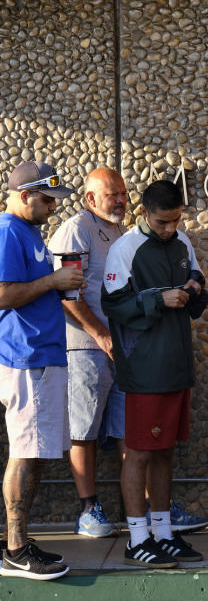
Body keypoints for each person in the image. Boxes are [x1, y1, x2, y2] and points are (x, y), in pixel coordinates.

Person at [103, 180, 208, 568]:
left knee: (165, 452)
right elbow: (113, 304)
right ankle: (136, 539)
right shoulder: (125, 248)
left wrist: (195, 288)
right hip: (144, 366)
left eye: (176, 220)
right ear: (144, 213)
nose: (171, 228)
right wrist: (158, 298)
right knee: (139, 453)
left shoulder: (183, 241)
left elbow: (199, 280)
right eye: (163, 221)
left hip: (177, 363)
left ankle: (164, 534)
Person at [0, 161, 82, 580]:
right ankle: (14, 550)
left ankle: (18, 542)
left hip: (42, 355)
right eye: (48, 199)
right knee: (25, 453)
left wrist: (59, 281)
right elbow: (2, 294)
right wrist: (53, 283)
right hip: (25, 357)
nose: (54, 207)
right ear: (25, 195)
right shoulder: (8, 231)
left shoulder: (29, 231)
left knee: (33, 453)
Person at [48, 168, 128, 538]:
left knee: (126, 429)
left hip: (119, 346)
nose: (121, 199)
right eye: (112, 194)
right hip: (85, 346)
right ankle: (88, 510)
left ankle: (145, 507)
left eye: (123, 193)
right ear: (90, 198)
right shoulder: (76, 229)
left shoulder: (117, 232)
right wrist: (100, 335)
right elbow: (67, 294)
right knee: (84, 431)